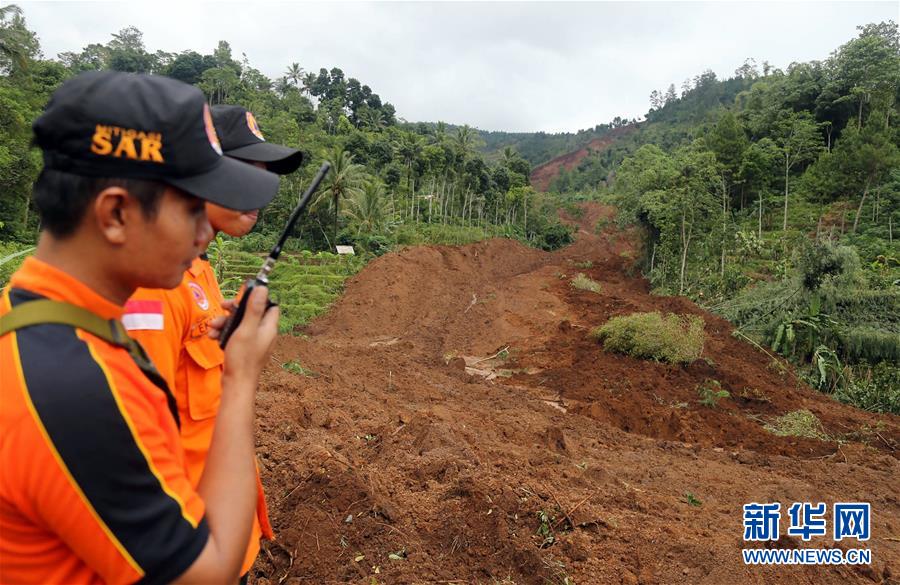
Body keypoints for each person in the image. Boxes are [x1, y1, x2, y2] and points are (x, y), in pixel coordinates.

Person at [0, 71, 280, 584]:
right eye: (193, 208)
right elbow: (207, 574)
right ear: (116, 214)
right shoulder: (72, 388)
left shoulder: (46, 326)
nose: (204, 232)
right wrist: (241, 376)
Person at [124, 104, 304, 577]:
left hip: (222, 534)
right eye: (244, 172)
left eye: (264, 177)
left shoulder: (197, 269)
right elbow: (138, 452)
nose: (258, 192)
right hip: (191, 551)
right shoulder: (153, 285)